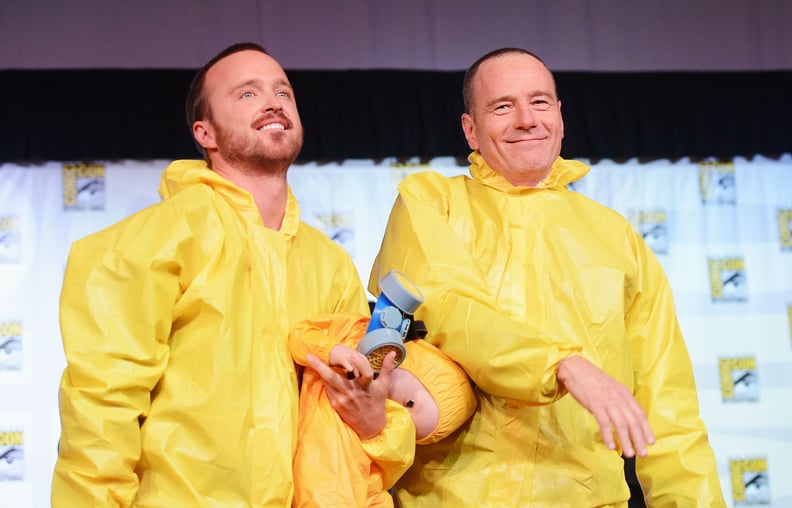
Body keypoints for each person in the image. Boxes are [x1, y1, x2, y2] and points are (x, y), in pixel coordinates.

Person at [51, 42, 408, 506]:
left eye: (284, 91)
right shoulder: (153, 240)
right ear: (206, 133)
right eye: (247, 94)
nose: (274, 101)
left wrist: (374, 421)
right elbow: (101, 412)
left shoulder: (330, 263)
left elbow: (344, 426)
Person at [369, 48, 725, 506]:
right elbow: (451, 309)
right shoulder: (429, 202)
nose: (525, 120)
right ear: (470, 130)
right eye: (502, 106)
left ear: (559, 115)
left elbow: (668, 405)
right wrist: (562, 366)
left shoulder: (615, 235)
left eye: (539, 102)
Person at [289, 312, 476, 507]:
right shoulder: (354, 335)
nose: (394, 413)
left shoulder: (382, 441)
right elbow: (300, 335)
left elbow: (379, 483)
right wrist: (331, 351)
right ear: (416, 364)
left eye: (408, 429)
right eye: (410, 403)